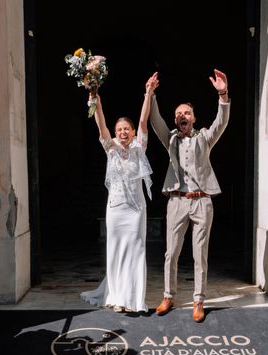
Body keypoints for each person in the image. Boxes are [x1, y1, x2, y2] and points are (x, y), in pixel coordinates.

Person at [147, 69, 230, 323]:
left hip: (202, 200)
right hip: (177, 201)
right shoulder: (170, 139)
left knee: (199, 253)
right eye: (177, 114)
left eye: (186, 113)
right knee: (171, 252)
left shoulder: (204, 137)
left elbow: (221, 122)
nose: (181, 116)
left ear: (193, 118)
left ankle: (198, 300)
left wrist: (223, 94)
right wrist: (150, 94)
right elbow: (155, 120)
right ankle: (169, 296)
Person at [80, 75, 155, 313]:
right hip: (115, 209)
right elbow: (100, 124)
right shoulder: (110, 149)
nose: (123, 132)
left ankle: (133, 299)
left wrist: (148, 93)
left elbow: (144, 120)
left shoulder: (138, 148)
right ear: (116, 132)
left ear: (133, 132)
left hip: (135, 209)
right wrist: (96, 99)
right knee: (115, 251)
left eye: (127, 129)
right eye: (119, 129)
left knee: (135, 250)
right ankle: (116, 297)